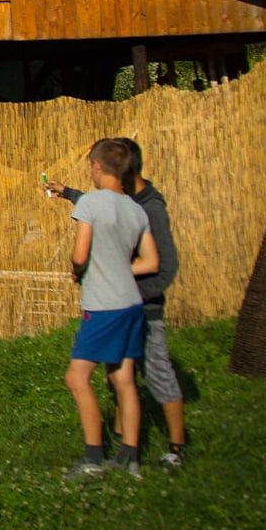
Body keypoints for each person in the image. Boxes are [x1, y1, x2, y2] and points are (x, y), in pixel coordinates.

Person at [51, 138, 185, 466]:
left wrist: (78, 268)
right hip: (132, 304)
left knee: (77, 377)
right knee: (123, 378)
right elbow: (151, 260)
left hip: (105, 305)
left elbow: (80, 254)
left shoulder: (98, 205)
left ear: (97, 167)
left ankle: (94, 457)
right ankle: (130, 456)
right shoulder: (136, 209)